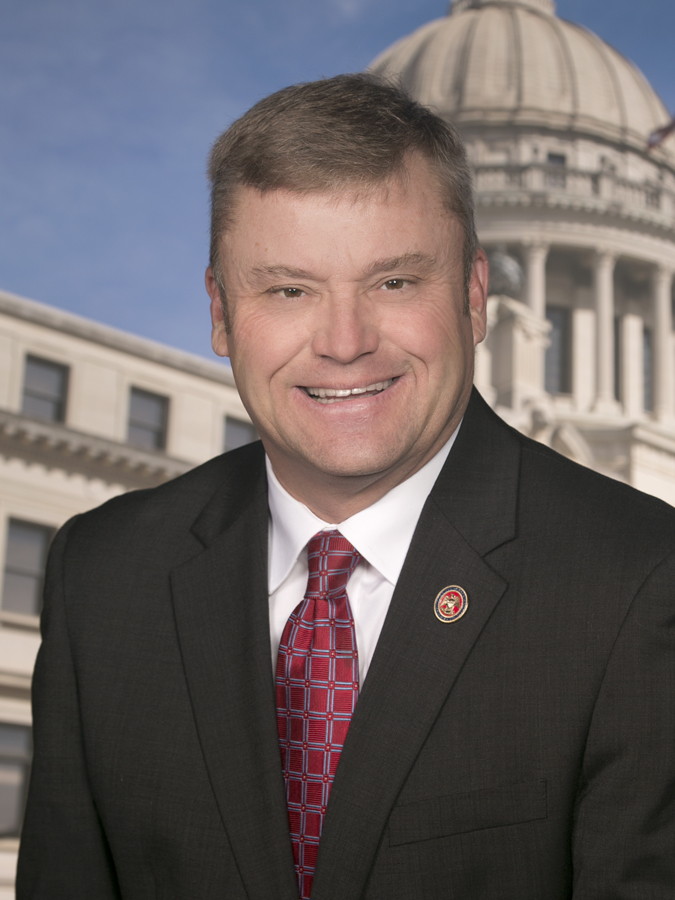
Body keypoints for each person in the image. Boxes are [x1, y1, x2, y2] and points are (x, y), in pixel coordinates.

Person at [17, 74, 675, 900]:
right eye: (288, 288)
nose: (343, 342)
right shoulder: (105, 572)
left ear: (475, 297)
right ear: (220, 313)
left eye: (394, 281)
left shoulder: (641, 577)